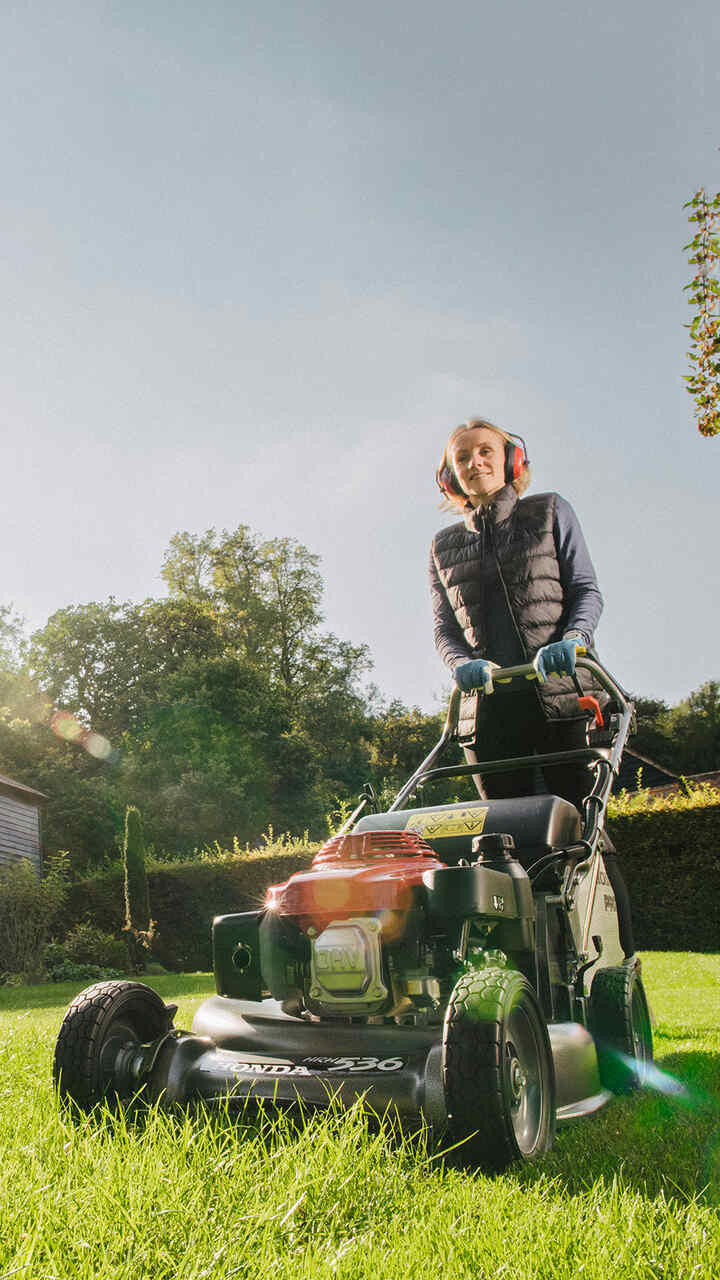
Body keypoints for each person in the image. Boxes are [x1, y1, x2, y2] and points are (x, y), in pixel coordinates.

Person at [429, 416, 635, 958]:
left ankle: (617, 958)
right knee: (503, 844)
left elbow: (586, 589)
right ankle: (533, 965)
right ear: (450, 477)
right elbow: (444, 629)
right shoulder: (443, 545)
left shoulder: (549, 511)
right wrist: (460, 663)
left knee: (580, 831)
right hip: (491, 718)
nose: (476, 462)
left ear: (511, 460)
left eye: (485, 451)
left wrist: (573, 638)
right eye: (463, 457)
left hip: (562, 699)